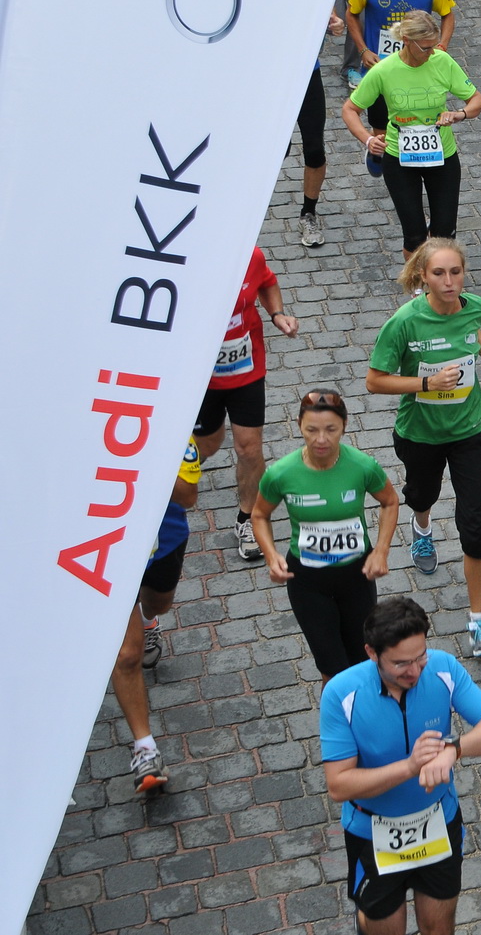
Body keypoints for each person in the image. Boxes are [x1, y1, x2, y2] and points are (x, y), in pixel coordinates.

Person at [321, 597, 481, 935]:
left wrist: (454, 748)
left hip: (439, 821)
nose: (414, 671)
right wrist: (409, 768)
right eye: (400, 663)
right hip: (373, 834)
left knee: (439, 928)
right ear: (371, 653)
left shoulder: (442, 668)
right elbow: (339, 785)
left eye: (420, 656)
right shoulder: (341, 693)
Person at [366, 239, 481, 656]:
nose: (449, 282)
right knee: (421, 495)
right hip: (421, 433)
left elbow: (472, 329)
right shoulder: (405, 323)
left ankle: (478, 620)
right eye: (438, 274)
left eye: (455, 272)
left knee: (477, 527)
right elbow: (375, 380)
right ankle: (423, 529)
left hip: (470, 430)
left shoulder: (474, 306)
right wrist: (426, 384)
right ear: (422, 277)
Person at [253, 390, 401, 680]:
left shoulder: (362, 466)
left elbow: (390, 501)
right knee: (332, 670)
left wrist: (381, 549)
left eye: (330, 430)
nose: (321, 439)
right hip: (308, 581)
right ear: (299, 427)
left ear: (344, 426)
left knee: (364, 661)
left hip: (356, 577)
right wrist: (271, 556)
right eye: (312, 430)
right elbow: (259, 515)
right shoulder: (280, 474)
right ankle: (335, 725)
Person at [343, 10, 481, 258]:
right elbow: (350, 109)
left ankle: (439, 288)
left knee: (444, 233)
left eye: (433, 46)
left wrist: (459, 114)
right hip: (399, 157)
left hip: (442, 155)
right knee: (414, 234)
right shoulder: (384, 70)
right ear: (407, 40)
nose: (432, 52)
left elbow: (476, 100)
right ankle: (418, 287)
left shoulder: (442, 61)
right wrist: (368, 139)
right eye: (426, 47)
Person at [196, 246, 300, 563]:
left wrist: (277, 313)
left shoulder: (248, 256)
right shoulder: (188, 267)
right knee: (208, 445)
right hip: (200, 379)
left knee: (249, 448)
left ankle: (248, 519)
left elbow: (267, 282)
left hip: (245, 370)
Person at [110, 439, 202, 796]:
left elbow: (187, 496)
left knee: (160, 602)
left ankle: (149, 620)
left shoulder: (173, 424)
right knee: (128, 654)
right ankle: (145, 750)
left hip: (163, 537)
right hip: (109, 545)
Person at [345, 0, 458, 177]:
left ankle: (410, 168)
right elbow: (352, 15)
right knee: (382, 128)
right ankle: (379, 150)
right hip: (382, 70)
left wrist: (440, 46)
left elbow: (447, 14)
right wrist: (363, 50)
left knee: (419, 118)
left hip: (420, 66)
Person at [292, 12, 348, 248]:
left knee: (314, 149)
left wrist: (335, 23)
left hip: (307, 74)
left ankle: (308, 213)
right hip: (268, 76)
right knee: (271, 152)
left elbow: (331, 19)